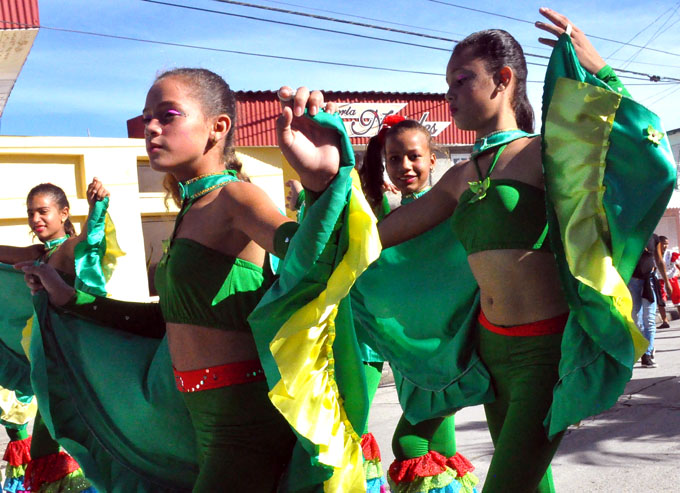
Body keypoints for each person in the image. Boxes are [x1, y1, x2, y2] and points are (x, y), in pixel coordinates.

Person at [284, 7, 675, 492]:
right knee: (532, 483)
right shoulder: (461, 176)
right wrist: (328, 177)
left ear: (503, 80)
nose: (449, 94)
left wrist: (603, 75)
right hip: (489, 348)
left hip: (543, 353)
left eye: (461, 79)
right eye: (447, 83)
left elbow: (648, 158)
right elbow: (372, 239)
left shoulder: (546, 153)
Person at [18, 69, 349, 492]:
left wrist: (321, 185)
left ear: (218, 127)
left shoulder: (235, 197)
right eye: (146, 117)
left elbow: (311, 255)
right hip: (193, 419)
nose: (151, 127)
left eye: (168, 115)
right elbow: (170, 323)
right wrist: (70, 300)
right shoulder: (192, 211)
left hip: (242, 423)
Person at [0, 179, 108, 493]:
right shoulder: (37, 252)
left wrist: (97, 210)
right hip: (49, 363)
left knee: (57, 449)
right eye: (31, 213)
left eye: (43, 211)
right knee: (50, 450)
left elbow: (91, 239)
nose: (36, 219)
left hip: (75, 363)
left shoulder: (73, 248)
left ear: (63, 213)